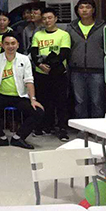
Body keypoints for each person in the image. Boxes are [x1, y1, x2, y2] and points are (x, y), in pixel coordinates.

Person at [0, 33, 44, 149]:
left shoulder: (24, 59)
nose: (10, 46)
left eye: (13, 43)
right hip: (1, 95)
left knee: (38, 112)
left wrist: (33, 99)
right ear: (2, 45)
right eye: (7, 44)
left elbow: (29, 81)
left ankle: (19, 137)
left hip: (19, 96)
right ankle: (0, 137)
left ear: (18, 45)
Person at [31, 8, 71, 141]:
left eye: (50, 18)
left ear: (55, 19)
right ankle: (45, 126)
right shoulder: (38, 35)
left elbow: (64, 53)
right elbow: (34, 52)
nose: (47, 21)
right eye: (44, 18)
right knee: (43, 101)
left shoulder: (63, 34)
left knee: (60, 102)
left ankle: (62, 128)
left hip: (58, 73)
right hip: (41, 73)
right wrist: (40, 65)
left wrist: (51, 66)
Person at [67, 0, 106, 119]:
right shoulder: (71, 28)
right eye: (81, 7)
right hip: (76, 70)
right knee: (79, 102)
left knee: (97, 102)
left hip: (97, 70)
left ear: (93, 10)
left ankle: (97, 129)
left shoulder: (103, 27)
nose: (84, 10)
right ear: (77, 10)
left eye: (88, 7)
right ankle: (81, 128)